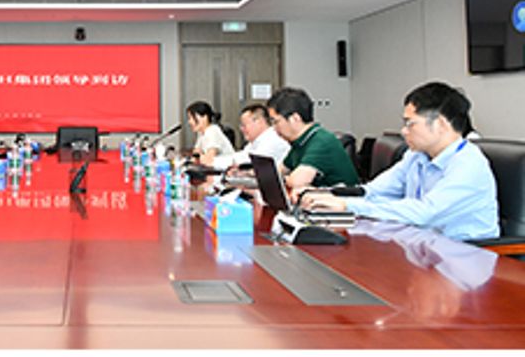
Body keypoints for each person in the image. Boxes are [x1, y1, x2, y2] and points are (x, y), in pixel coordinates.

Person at [300, 82, 499, 241]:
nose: (404, 131)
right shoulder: (416, 156)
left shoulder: (468, 164)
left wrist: (347, 205)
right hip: (422, 246)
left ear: (440, 124)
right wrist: (326, 195)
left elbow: (425, 213)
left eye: (410, 124)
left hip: (465, 256)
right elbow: (374, 191)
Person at [267, 87, 359, 188]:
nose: (274, 128)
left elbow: (296, 182)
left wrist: (283, 179)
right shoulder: (300, 142)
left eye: (275, 121)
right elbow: (278, 172)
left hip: (343, 197)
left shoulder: (322, 141)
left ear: (295, 118)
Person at [212, 103, 290, 170]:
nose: (241, 129)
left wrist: (213, 162)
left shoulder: (273, 139)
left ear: (259, 122)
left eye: (244, 125)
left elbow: (248, 161)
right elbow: (241, 156)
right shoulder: (257, 141)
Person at [186, 101, 235, 166]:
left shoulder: (213, 131)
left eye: (192, 118)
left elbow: (209, 159)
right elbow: (196, 154)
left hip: (228, 169)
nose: (189, 122)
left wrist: (199, 157)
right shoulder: (201, 133)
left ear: (205, 117)